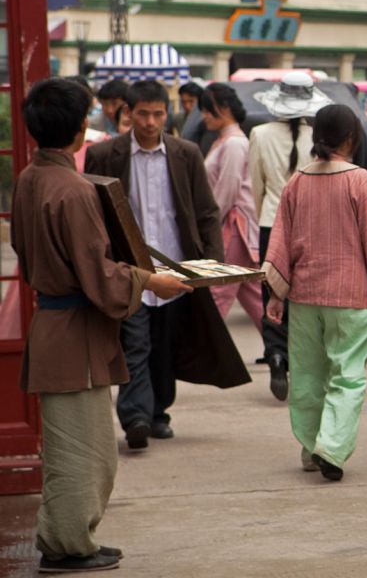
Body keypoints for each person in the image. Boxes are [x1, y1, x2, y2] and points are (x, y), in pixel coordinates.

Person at [14, 79, 192, 574]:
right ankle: (66, 544)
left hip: (58, 323)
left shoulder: (32, 178)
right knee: (84, 453)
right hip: (72, 332)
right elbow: (100, 274)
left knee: (79, 447)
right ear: (77, 130)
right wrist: (151, 278)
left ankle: (68, 537)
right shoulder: (71, 189)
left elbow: (29, 256)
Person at [84, 80, 250, 450]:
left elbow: (206, 211)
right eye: (142, 113)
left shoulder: (185, 153)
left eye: (158, 113)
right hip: (133, 271)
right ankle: (136, 417)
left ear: (167, 113)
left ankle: (159, 413)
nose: (150, 121)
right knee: (136, 342)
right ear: (127, 113)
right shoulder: (105, 155)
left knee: (165, 343)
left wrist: (211, 263)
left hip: (177, 265)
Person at [264, 105, 367, 482]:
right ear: (351, 138)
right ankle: (331, 446)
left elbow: (280, 243)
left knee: (309, 375)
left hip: (305, 295)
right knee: (348, 376)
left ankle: (312, 446)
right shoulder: (361, 181)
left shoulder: (296, 181)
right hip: (352, 296)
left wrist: (276, 295)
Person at [249, 72, 332, 400]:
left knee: (271, 292)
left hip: (272, 222)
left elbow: (257, 183)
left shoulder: (259, 133)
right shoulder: (318, 136)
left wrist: (264, 214)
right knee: (305, 295)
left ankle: (276, 353)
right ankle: (303, 361)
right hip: (310, 224)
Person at [199, 84, 263, 331]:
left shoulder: (234, 143)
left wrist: (208, 224)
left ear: (223, 109)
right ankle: (284, 348)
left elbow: (227, 190)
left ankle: (204, 351)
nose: (204, 116)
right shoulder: (227, 141)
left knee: (218, 290)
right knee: (253, 294)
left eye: (207, 110)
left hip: (233, 225)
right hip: (235, 224)